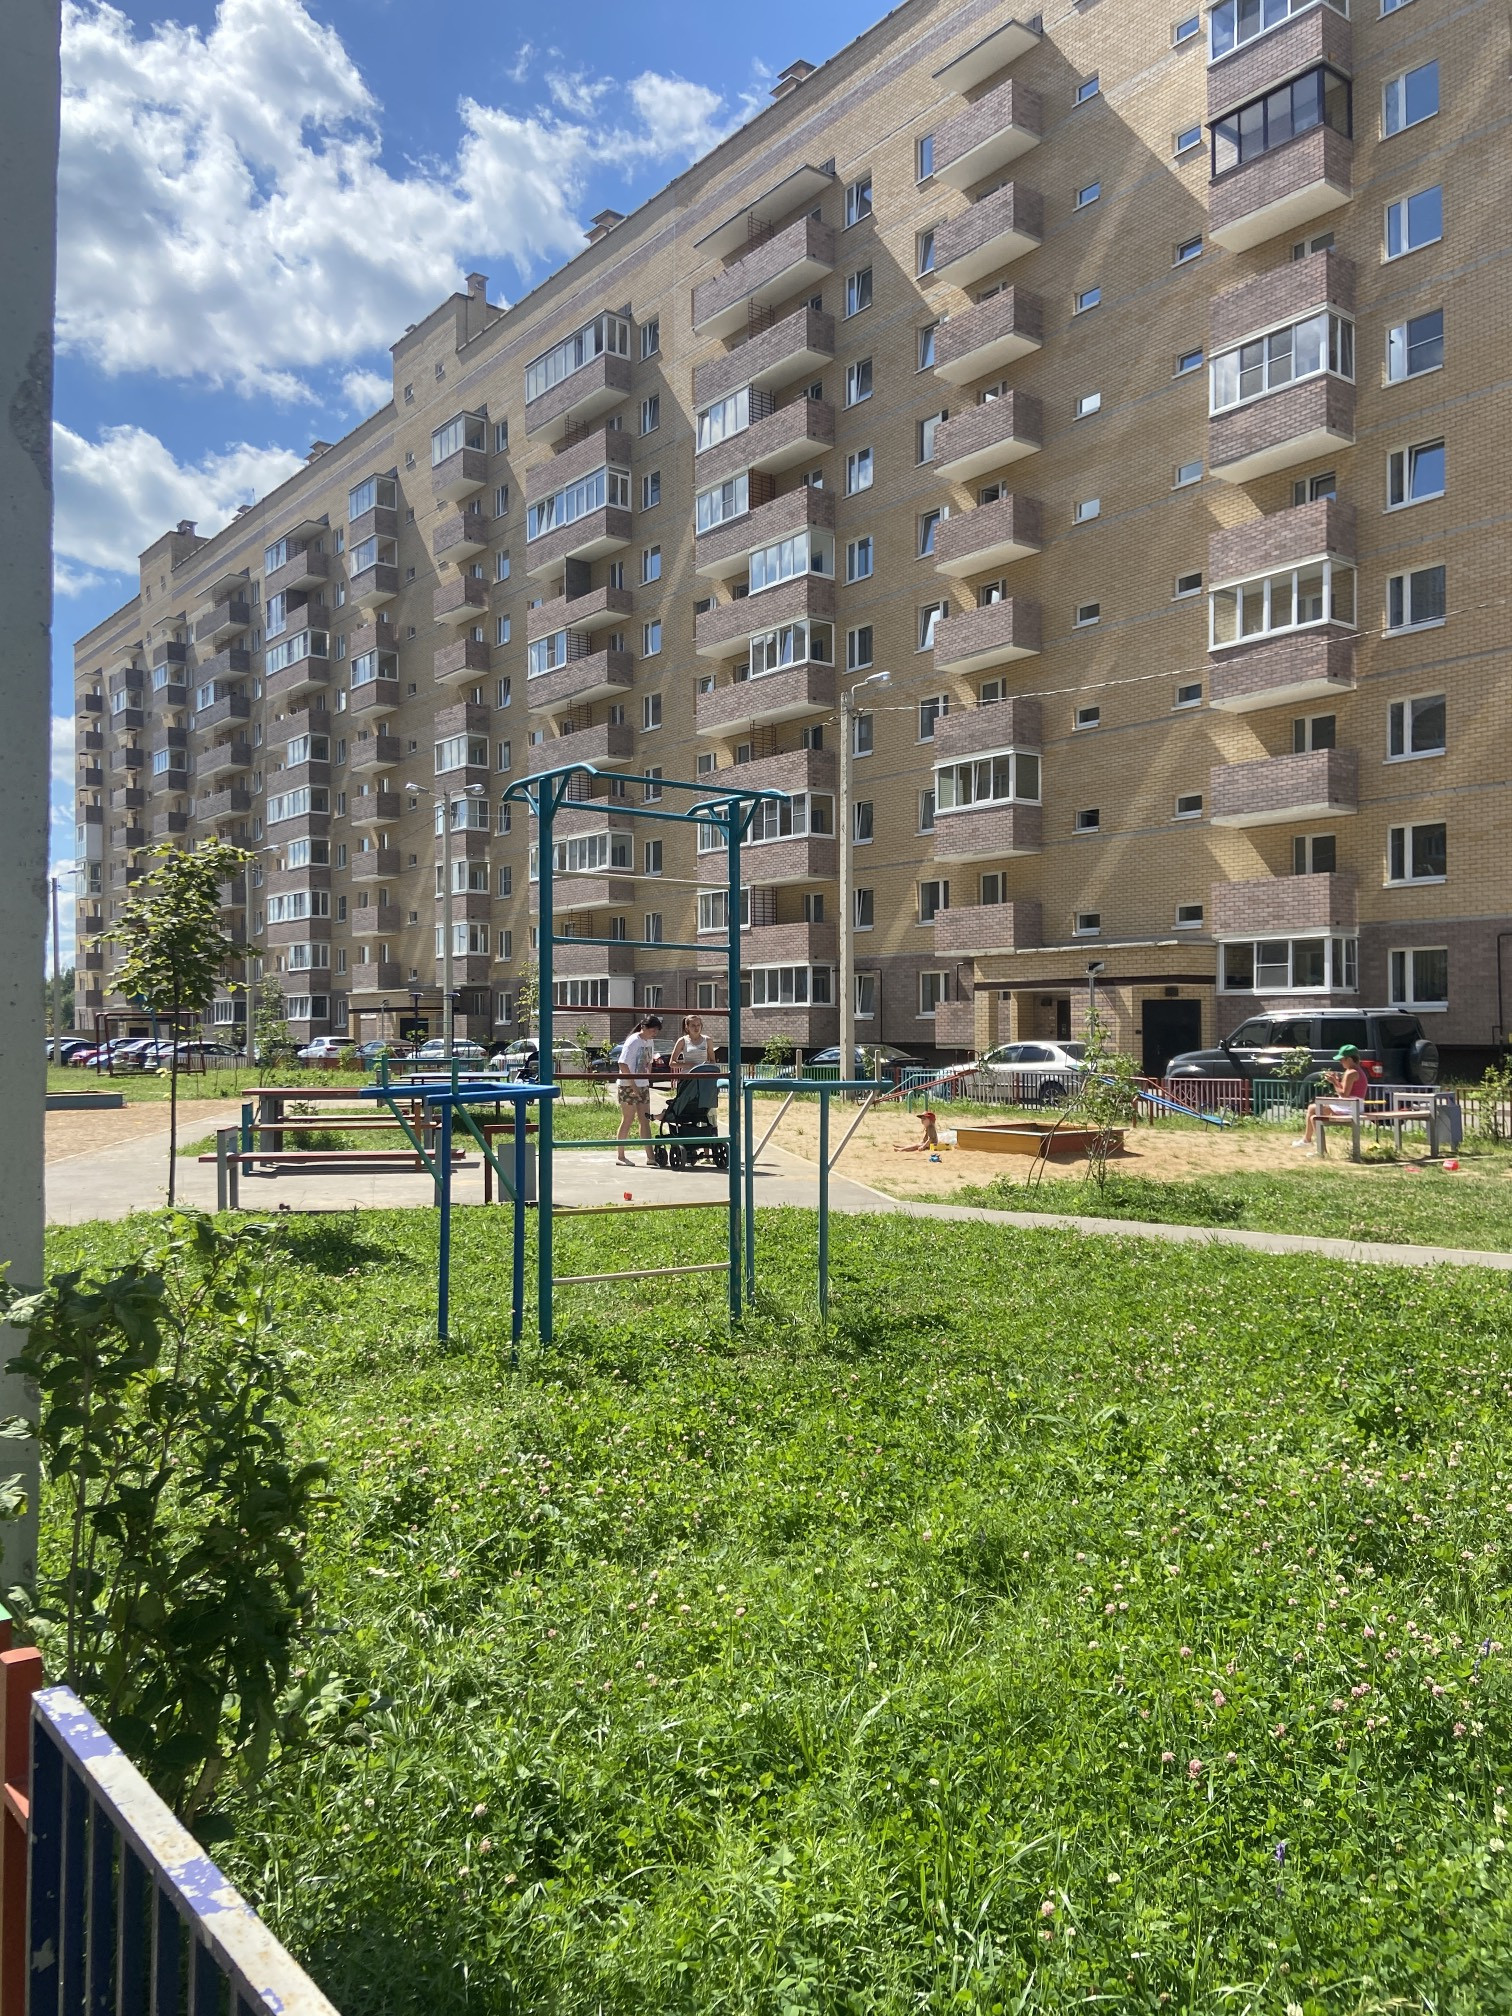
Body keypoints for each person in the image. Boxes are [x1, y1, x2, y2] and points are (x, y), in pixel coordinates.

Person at [1298, 1045, 1369, 1148]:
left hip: (1349, 1108)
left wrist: (1334, 1082)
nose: (1340, 1062)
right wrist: (1336, 1081)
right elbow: (1346, 1091)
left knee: (1312, 1109)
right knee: (1313, 1113)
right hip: (1354, 1106)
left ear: (1349, 1059)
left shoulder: (1351, 1072)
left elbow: (1344, 1094)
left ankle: (1308, 1141)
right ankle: (1307, 1140)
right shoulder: (1357, 1071)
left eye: (1342, 1059)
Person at [616, 1013, 663, 1166]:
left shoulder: (650, 1041)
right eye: (652, 1030)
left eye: (656, 1031)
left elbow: (649, 1061)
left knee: (645, 1119)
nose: (654, 1033)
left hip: (643, 1084)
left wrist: (648, 1073)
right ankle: (621, 1156)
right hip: (627, 1084)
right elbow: (623, 1064)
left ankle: (650, 1157)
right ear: (644, 1027)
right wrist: (633, 1085)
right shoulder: (633, 1041)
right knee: (628, 1119)